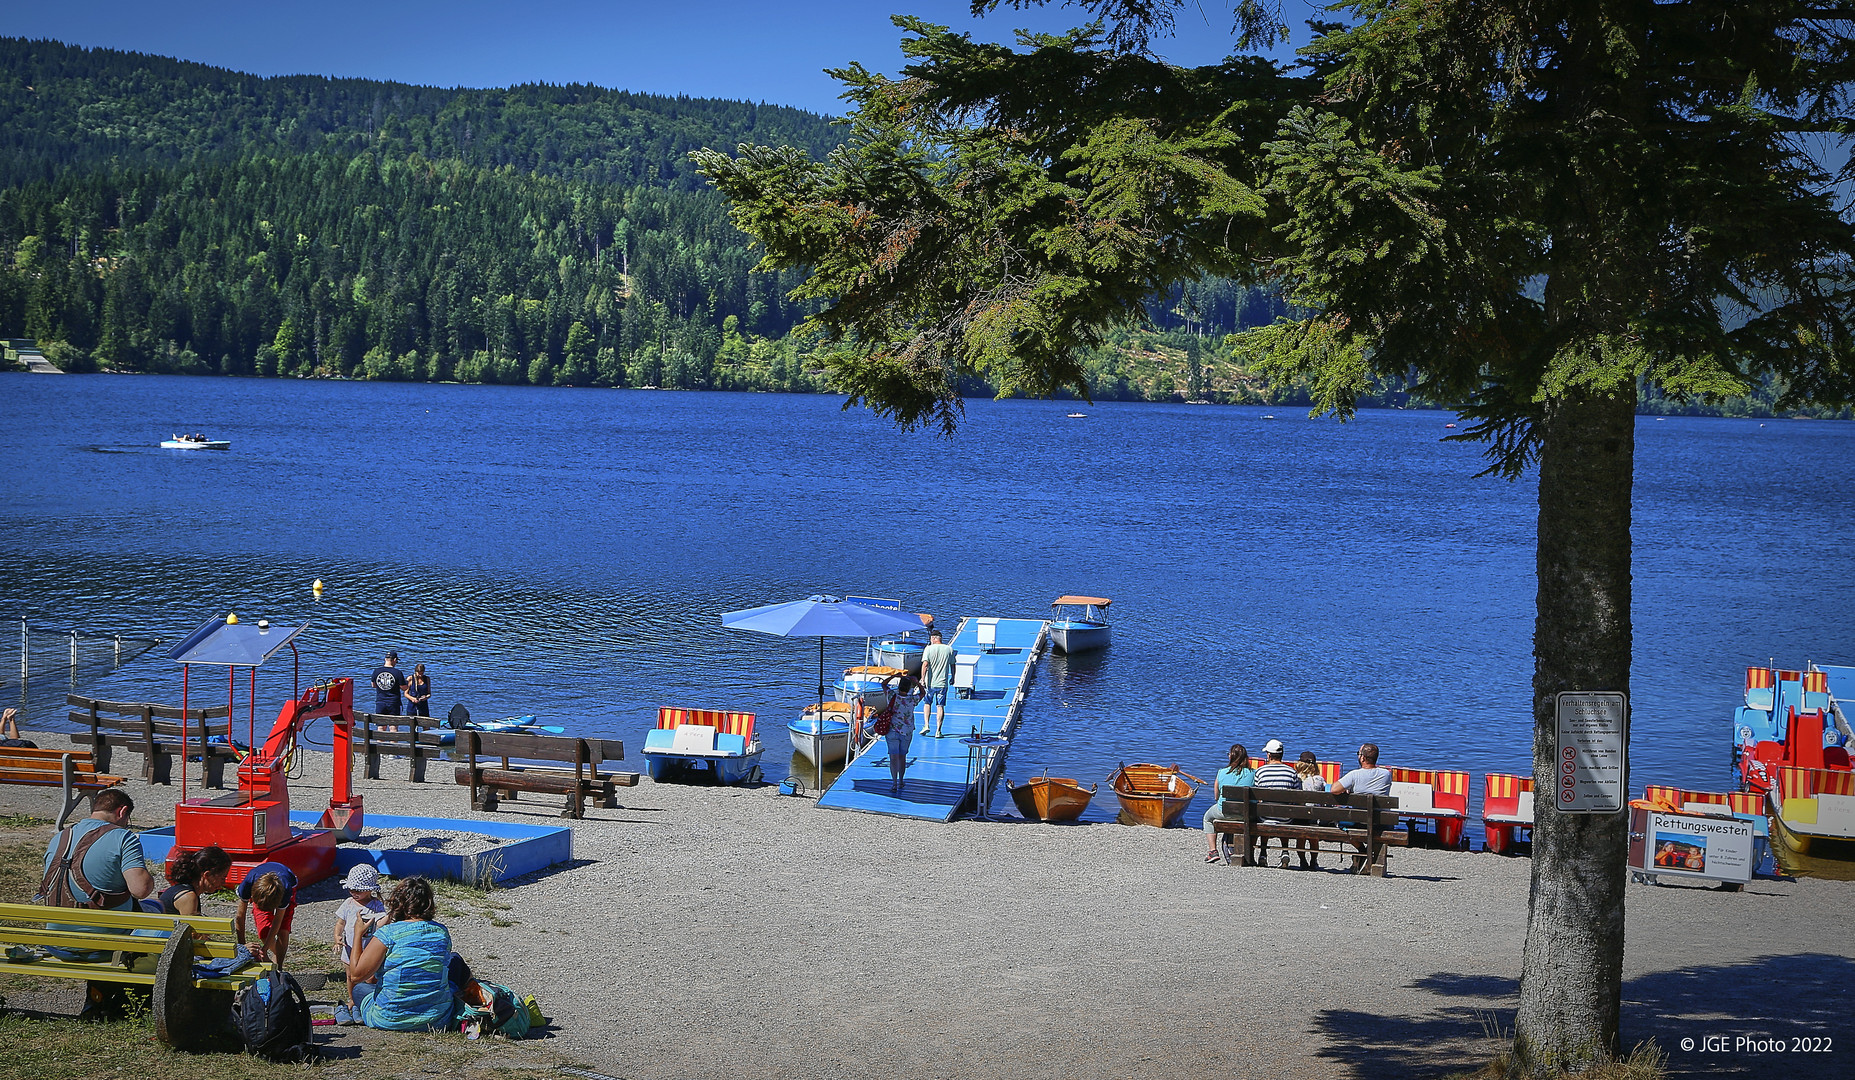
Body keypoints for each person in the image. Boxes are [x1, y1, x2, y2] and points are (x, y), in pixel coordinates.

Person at [37, 789, 157, 1018]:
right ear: (122, 811)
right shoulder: (123, 837)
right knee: (158, 913)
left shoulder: (61, 836)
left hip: (57, 940)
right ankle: (132, 1002)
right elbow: (141, 890)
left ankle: (96, 999)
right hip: (102, 946)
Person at [348, 876, 460, 1031]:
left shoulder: (388, 934)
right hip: (437, 1019)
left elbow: (356, 975)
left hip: (390, 1018)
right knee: (454, 964)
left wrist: (358, 934)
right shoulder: (441, 932)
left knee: (359, 989)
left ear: (397, 903)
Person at [333, 865, 389, 1025]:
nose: (354, 893)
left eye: (359, 890)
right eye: (351, 889)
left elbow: (382, 922)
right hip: (349, 947)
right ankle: (352, 1000)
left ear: (370, 889)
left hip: (370, 949)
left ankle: (367, 1000)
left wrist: (390, 915)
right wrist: (337, 937)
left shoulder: (376, 905)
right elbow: (340, 923)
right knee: (351, 976)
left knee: (371, 978)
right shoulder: (349, 903)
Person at [1332, 743, 1394, 872]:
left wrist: (1350, 791)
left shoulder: (1354, 775)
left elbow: (1334, 789)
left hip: (1359, 823)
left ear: (1363, 758)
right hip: (1381, 822)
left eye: (1359, 754)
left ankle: (1362, 850)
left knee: (1340, 822)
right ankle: (1368, 855)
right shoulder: (1386, 774)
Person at [235, 860, 300, 969]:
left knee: (283, 930)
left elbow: (278, 921)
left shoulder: (285, 891)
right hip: (261, 886)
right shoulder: (247, 884)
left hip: (285, 883)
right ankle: (272, 963)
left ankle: (278, 967)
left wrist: (264, 949)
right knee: (263, 929)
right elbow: (240, 918)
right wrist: (243, 948)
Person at [1252, 739, 1303, 868]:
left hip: (1265, 817)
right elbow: (1299, 796)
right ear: (1282, 754)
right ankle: (1284, 851)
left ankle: (1263, 853)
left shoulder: (1260, 772)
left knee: (1264, 812)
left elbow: (1257, 796)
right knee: (1284, 811)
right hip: (1286, 818)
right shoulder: (1292, 772)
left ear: (1268, 755)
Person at [871, 673, 925, 792]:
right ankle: (901, 781)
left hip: (892, 730)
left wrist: (895, 676)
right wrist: (916, 682)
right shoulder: (912, 699)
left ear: (899, 686)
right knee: (902, 757)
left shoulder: (892, 696)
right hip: (907, 731)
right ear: (909, 687)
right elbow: (923, 693)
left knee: (893, 757)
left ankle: (894, 783)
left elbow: (883, 684)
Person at [1202, 743, 1255, 862]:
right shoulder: (1253, 773)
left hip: (1225, 812)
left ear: (1230, 757)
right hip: (1246, 814)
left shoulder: (1221, 772)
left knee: (1207, 818)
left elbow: (1216, 797)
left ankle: (1212, 851)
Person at [153, 845, 232, 916]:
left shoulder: (184, 890)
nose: (224, 882)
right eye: (222, 877)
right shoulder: (188, 897)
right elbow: (190, 931)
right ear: (207, 875)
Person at [918, 629, 957, 737]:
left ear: (934, 638)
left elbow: (925, 665)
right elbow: (953, 665)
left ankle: (926, 725)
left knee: (927, 703)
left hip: (930, 683)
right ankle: (938, 731)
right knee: (940, 706)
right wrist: (953, 677)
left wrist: (922, 679)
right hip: (942, 683)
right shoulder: (949, 649)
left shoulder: (928, 649)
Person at [1294, 752, 1329, 869]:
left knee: (1301, 838)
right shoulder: (1320, 780)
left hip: (1300, 818)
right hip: (1315, 818)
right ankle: (1313, 861)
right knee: (1314, 839)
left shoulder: (1297, 779)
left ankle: (1302, 861)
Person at [370, 650, 407, 718]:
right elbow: (404, 687)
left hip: (380, 701)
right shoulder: (397, 672)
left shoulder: (376, 671)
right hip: (394, 702)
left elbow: (373, 685)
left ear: (385, 659)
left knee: (381, 726)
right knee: (393, 725)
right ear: (394, 659)